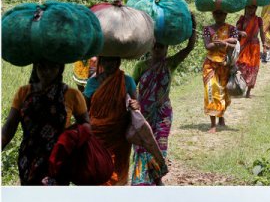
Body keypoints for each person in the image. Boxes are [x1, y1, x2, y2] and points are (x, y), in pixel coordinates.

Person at [130, 15, 197, 185]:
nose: (158, 50)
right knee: (143, 145)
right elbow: (131, 88)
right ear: (150, 47)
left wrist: (193, 25)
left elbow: (189, 48)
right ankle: (141, 179)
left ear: (167, 48)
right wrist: (134, 101)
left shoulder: (170, 63)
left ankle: (157, 178)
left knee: (159, 146)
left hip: (162, 113)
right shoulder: (141, 66)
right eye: (155, 46)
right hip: (143, 114)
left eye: (162, 47)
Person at [2, 60, 90, 185]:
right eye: (42, 66)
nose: (46, 71)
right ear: (35, 67)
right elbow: (9, 127)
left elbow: (86, 124)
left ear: (60, 68)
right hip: (28, 159)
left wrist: (71, 137)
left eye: (52, 66)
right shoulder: (23, 92)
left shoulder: (72, 95)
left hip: (58, 161)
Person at [84, 56, 139, 185]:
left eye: (114, 60)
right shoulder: (93, 83)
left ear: (119, 61)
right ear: (101, 62)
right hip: (97, 134)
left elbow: (136, 103)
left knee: (116, 171)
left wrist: (135, 105)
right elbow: (84, 109)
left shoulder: (127, 81)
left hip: (118, 134)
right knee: (98, 168)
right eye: (107, 60)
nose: (110, 64)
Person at [203, 9, 239, 133]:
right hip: (210, 65)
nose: (219, 16)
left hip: (225, 65)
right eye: (216, 14)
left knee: (223, 93)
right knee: (211, 91)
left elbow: (236, 45)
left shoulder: (232, 29)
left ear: (226, 14)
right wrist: (219, 44)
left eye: (222, 14)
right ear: (213, 14)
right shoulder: (207, 29)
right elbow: (207, 46)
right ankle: (213, 124)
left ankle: (221, 116)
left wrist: (225, 43)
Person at [236, 4, 267, 98]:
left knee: (253, 68)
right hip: (243, 46)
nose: (251, 9)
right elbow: (234, 31)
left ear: (256, 8)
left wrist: (264, 45)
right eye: (249, 7)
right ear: (245, 7)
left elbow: (262, 33)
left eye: (253, 7)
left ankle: (248, 91)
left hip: (254, 46)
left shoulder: (258, 20)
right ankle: (241, 85)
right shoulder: (242, 19)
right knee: (242, 64)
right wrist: (240, 32)